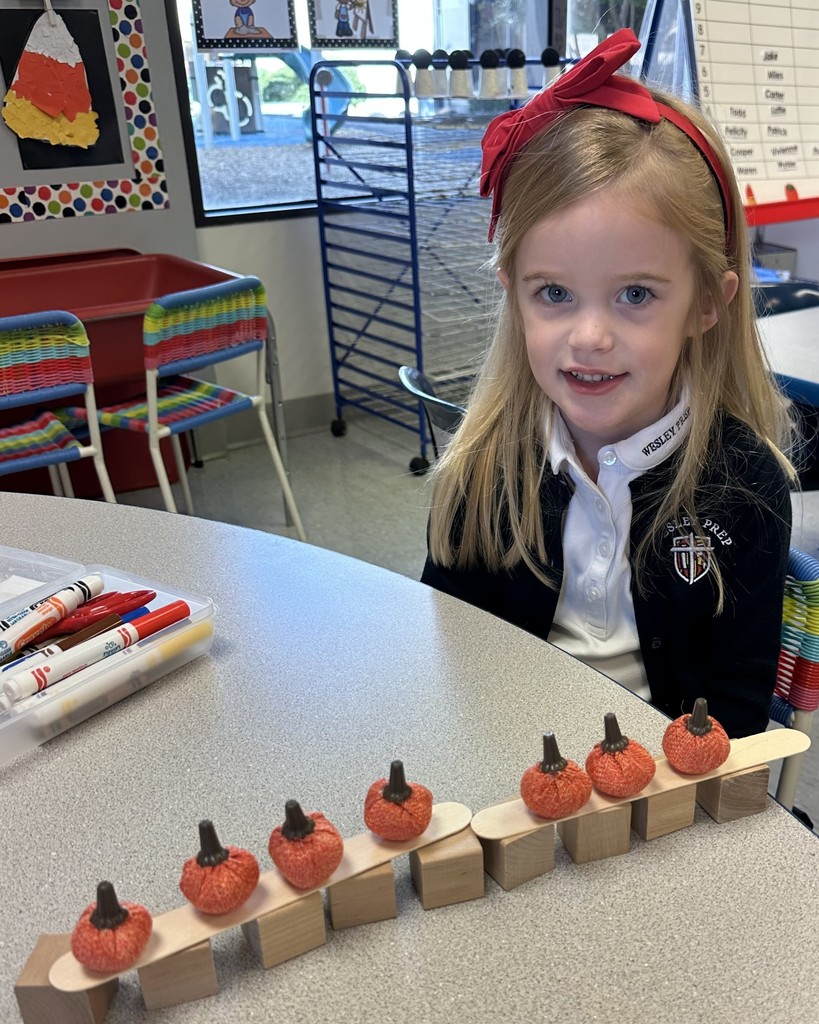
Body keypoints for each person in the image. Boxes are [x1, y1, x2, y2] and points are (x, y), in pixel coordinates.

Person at [420, 29, 795, 739]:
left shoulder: (745, 486)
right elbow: (448, 668)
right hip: (507, 772)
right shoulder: (484, 468)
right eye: (554, 294)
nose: (589, 337)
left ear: (706, 304)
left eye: (635, 295)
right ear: (513, 295)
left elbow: (737, 718)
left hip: (668, 789)